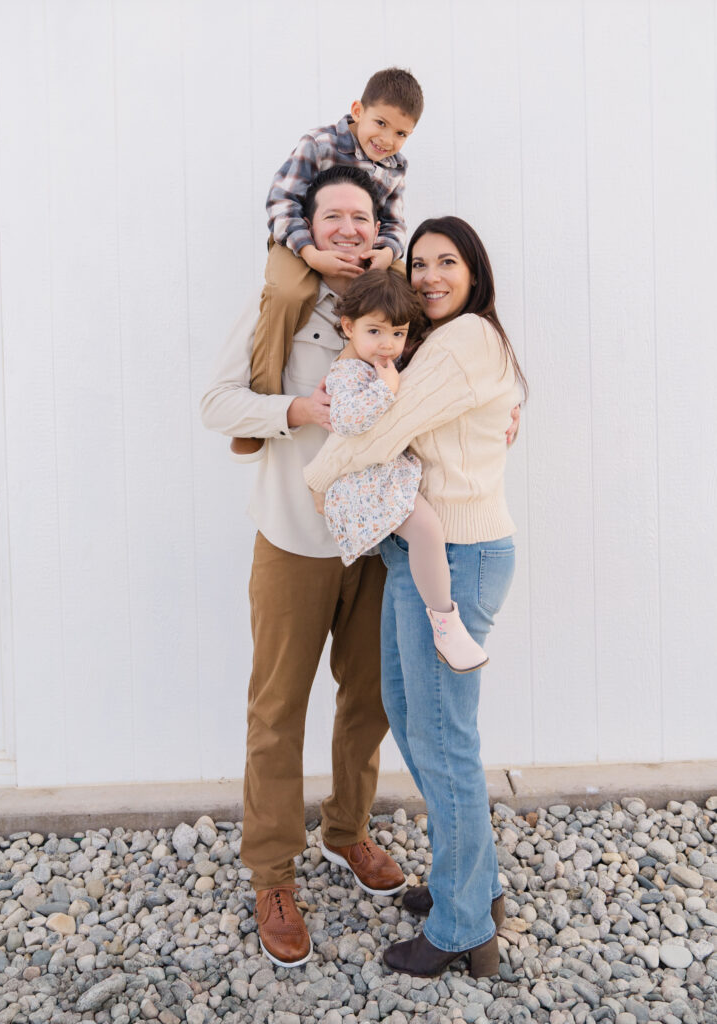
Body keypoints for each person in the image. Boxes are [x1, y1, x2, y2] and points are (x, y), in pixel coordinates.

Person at [304, 216, 528, 978]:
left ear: (475, 271)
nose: (431, 275)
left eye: (448, 262)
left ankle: (464, 929)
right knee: (416, 723)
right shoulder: (443, 342)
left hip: (456, 557)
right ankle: (471, 888)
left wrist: (316, 476)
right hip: (426, 554)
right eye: (421, 263)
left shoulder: (465, 338)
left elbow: (386, 423)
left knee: (443, 744)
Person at [200, 166, 408, 970]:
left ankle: (347, 832)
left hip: (378, 544)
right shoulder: (275, 307)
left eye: (361, 215)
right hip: (292, 540)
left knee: (369, 698)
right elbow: (217, 402)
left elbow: (444, 376)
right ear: (308, 227)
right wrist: (299, 411)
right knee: (277, 710)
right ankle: (273, 873)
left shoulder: (399, 305)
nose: (349, 229)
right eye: (334, 217)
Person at [230, 67, 424, 459]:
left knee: (410, 286)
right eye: (381, 124)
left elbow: (395, 223)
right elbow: (281, 202)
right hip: (300, 241)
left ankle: (422, 383)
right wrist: (310, 252)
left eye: (401, 133)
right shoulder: (318, 144)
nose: (387, 140)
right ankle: (262, 404)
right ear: (357, 110)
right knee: (288, 292)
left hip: (367, 247)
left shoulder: (397, 166)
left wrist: (385, 254)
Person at [321, 269, 488, 673]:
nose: (387, 345)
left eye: (397, 334)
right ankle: (445, 623)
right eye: (375, 332)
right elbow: (346, 419)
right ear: (348, 326)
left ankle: (444, 622)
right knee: (427, 529)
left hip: (380, 475)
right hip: (364, 484)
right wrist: (387, 389)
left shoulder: (376, 363)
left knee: (427, 532)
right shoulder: (346, 372)